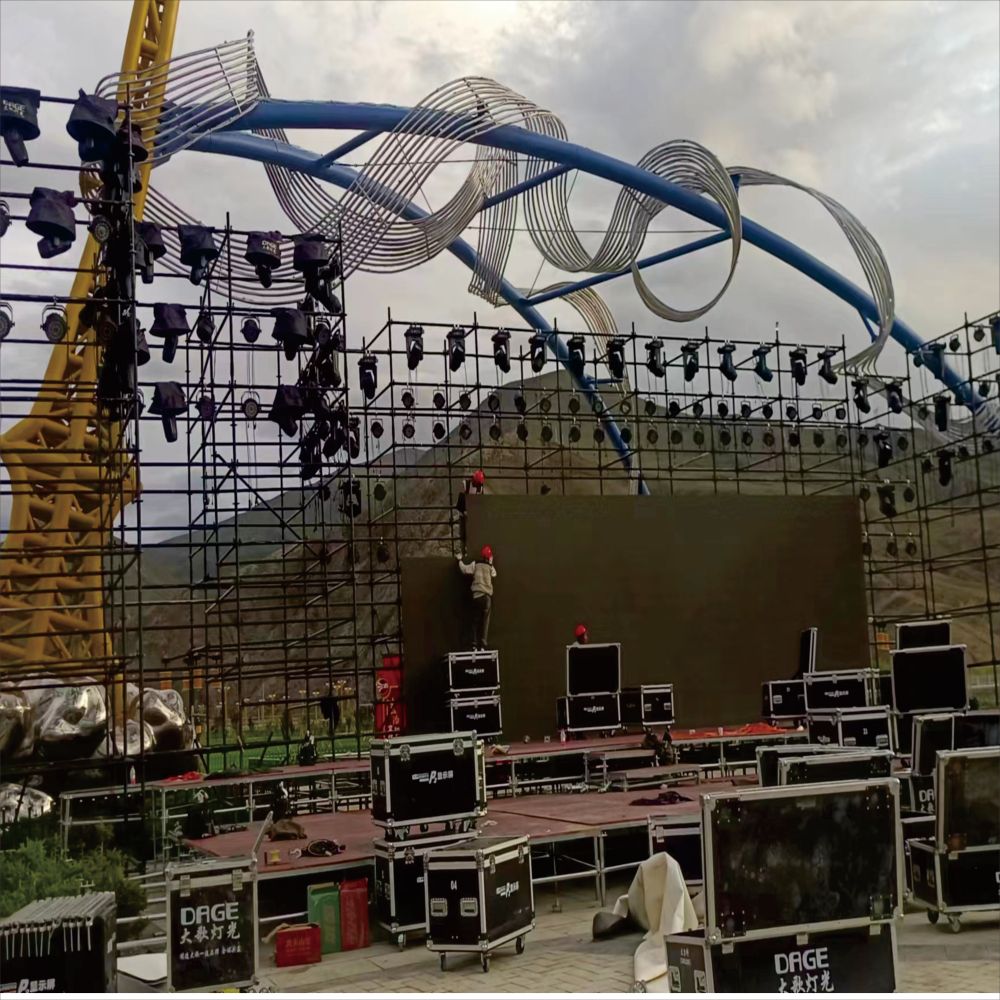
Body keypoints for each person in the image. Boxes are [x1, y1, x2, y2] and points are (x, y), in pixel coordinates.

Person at [458, 544, 496, 649]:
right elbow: (494, 574)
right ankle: (483, 644)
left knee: (474, 621)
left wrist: (459, 560)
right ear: (489, 557)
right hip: (487, 597)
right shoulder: (490, 567)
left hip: (477, 596)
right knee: (485, 622)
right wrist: (491, 563)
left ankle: (474, 644)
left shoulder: (475, 564)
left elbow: (464, 570)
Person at [455, 469, 486, 549]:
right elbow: (460, 503)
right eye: (478, 483)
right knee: (463, 536)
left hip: (473, 515)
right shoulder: (466, 485)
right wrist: (465, 512)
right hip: (464, 514)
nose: (478, 485)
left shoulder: (480, 488)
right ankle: (464, 550)